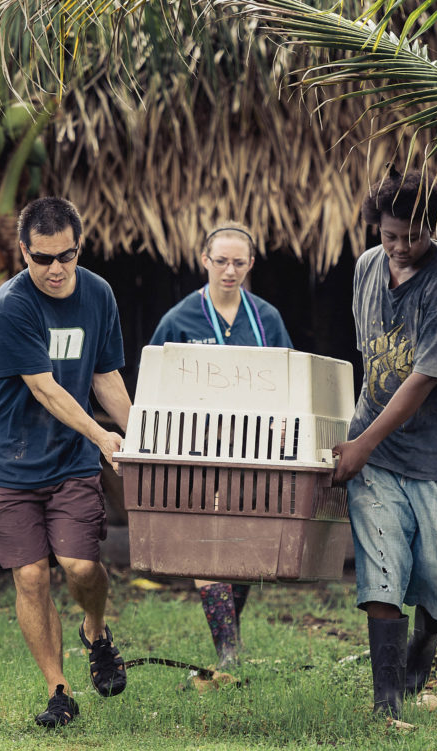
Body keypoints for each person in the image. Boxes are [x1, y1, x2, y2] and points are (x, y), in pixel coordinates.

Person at [0, 197, 133, 728]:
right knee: (33, 577)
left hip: (67, 461)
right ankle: (59, 689)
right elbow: (45, 389)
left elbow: (105, 377)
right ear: (23, 252)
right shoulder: (9, 306)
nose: (56, 269)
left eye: (67, 256)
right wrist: (102, 437)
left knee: (82, 567)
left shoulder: (98, 293)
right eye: (42, 259)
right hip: (6, 463)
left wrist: (141, 435)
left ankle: (95, 630)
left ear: (79, 248)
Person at [332, 166, 437, 721]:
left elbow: (421, 380)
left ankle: (426, 642)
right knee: (382, 565)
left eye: (412, 236)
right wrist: (360, 439)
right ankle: (385, 702)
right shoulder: (367, 267)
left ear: (433, 228)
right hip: (378, 451)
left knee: (433, 570)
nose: (398, 247)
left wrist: (363, 444)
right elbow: (372, 358)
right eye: (389, 235)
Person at [148, 222, 292, 669]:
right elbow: (154, 385)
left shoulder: (266, 317)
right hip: (198, 451)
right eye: (221, 261)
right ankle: (229, 653)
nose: (229, 271)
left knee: (244, 546)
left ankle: (228, 639)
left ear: (250, 265)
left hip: (255, 452)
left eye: (239, 262)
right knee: (208, 545)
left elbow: (288, 381)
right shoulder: (179, 319)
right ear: (204, 261)